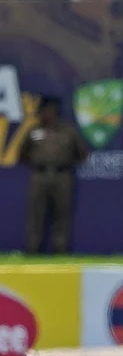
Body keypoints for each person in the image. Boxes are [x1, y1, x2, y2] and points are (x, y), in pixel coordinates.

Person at [20, 96, 87, 254]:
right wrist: (38, 164)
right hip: (40, 175)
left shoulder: (67, 131)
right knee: (36, 214)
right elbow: (22, 153)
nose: (43, 115)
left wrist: (65, 164)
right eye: (42, 111)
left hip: (62, 175)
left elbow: (82, 153)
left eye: (46, 111)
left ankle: (61, 250)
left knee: (62, 214)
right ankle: (33, 250)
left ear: (54, 112)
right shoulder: (34, 131)